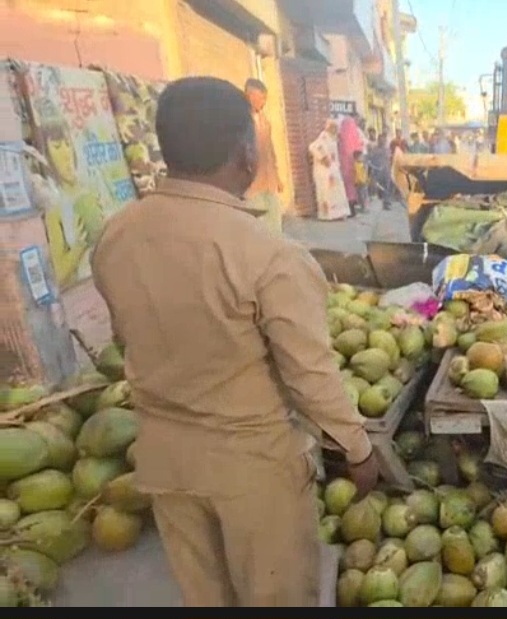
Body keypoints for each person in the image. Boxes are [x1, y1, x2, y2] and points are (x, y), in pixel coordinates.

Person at [90, 77, 378, 606]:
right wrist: (357, 448)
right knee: (277, 598)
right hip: (253, 469)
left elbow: (124, 337)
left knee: (206, 598)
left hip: (165, 458)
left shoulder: (115, 235)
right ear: (247, 152)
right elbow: (310, 375)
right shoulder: (269, 255)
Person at [242, 78, 285, 237]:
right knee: (258, 225)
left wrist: (278, 177)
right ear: (249, 96)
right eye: (261, 98)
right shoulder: (241, 121)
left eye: (265, 98)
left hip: (269, 181)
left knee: (275, 221)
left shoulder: (265, 121)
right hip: (252, 184)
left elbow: (270, 150)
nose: (264, 102)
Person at [308, 120, 351, 221]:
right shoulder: (324, 136)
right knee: (326, 192)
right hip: (324, 171)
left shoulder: (332, 138)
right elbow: (313, 147)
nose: (336, 130)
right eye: (334, 127)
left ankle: (338, 214)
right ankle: (327, 215)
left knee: (336, 192)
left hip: (333, 169)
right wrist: (323, 158)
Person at [337, 113, 364, 217]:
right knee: (353, 186)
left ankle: (350, 209)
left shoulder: (344, 129)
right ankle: (353, 209)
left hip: (345, 163)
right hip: (353, 162)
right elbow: (358, 146)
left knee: (348, 186)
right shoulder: (353, 129)